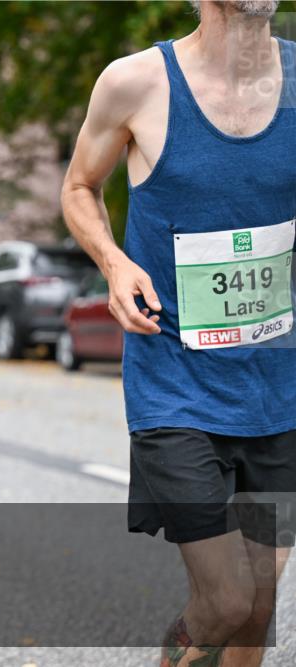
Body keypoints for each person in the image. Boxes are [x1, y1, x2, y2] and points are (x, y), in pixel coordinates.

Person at [61, 2, 295, 665]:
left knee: (258, 607)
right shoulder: (136, 83)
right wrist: (115, 263)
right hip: (176, 383)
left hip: (280, 385)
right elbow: (80, 186)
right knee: (224, 601)